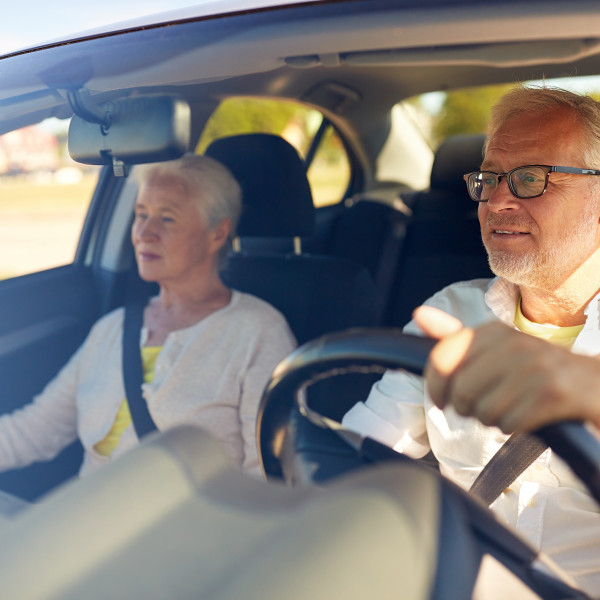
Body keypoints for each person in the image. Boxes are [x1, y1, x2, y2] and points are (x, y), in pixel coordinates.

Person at [342, 85, 600, 595]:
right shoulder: (451, 313)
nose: (498, 199)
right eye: (489, 178)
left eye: (531, 179)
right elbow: (357, 458)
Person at [0, 154, 296, 480]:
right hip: (84, 516)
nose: (144, 232)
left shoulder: (259, 332)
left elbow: (266, 479)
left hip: (187, 527)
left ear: (217, 233)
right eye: (141, 214)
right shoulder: (112, 328)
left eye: (166, 219)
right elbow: (35, 431)